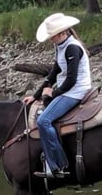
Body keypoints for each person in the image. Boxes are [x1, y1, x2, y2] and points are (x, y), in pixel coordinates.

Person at [22, 12, 92, 179]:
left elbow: (71, 79)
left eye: (52, 36)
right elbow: (54, 73)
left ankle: (57, 165)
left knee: (43, 121)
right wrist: (36, 95)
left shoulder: (72, 48)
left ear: (62, 33)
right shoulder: (61, 46)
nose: (50, 39)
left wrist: (53, 93)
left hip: (76, 91)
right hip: (68, 89)